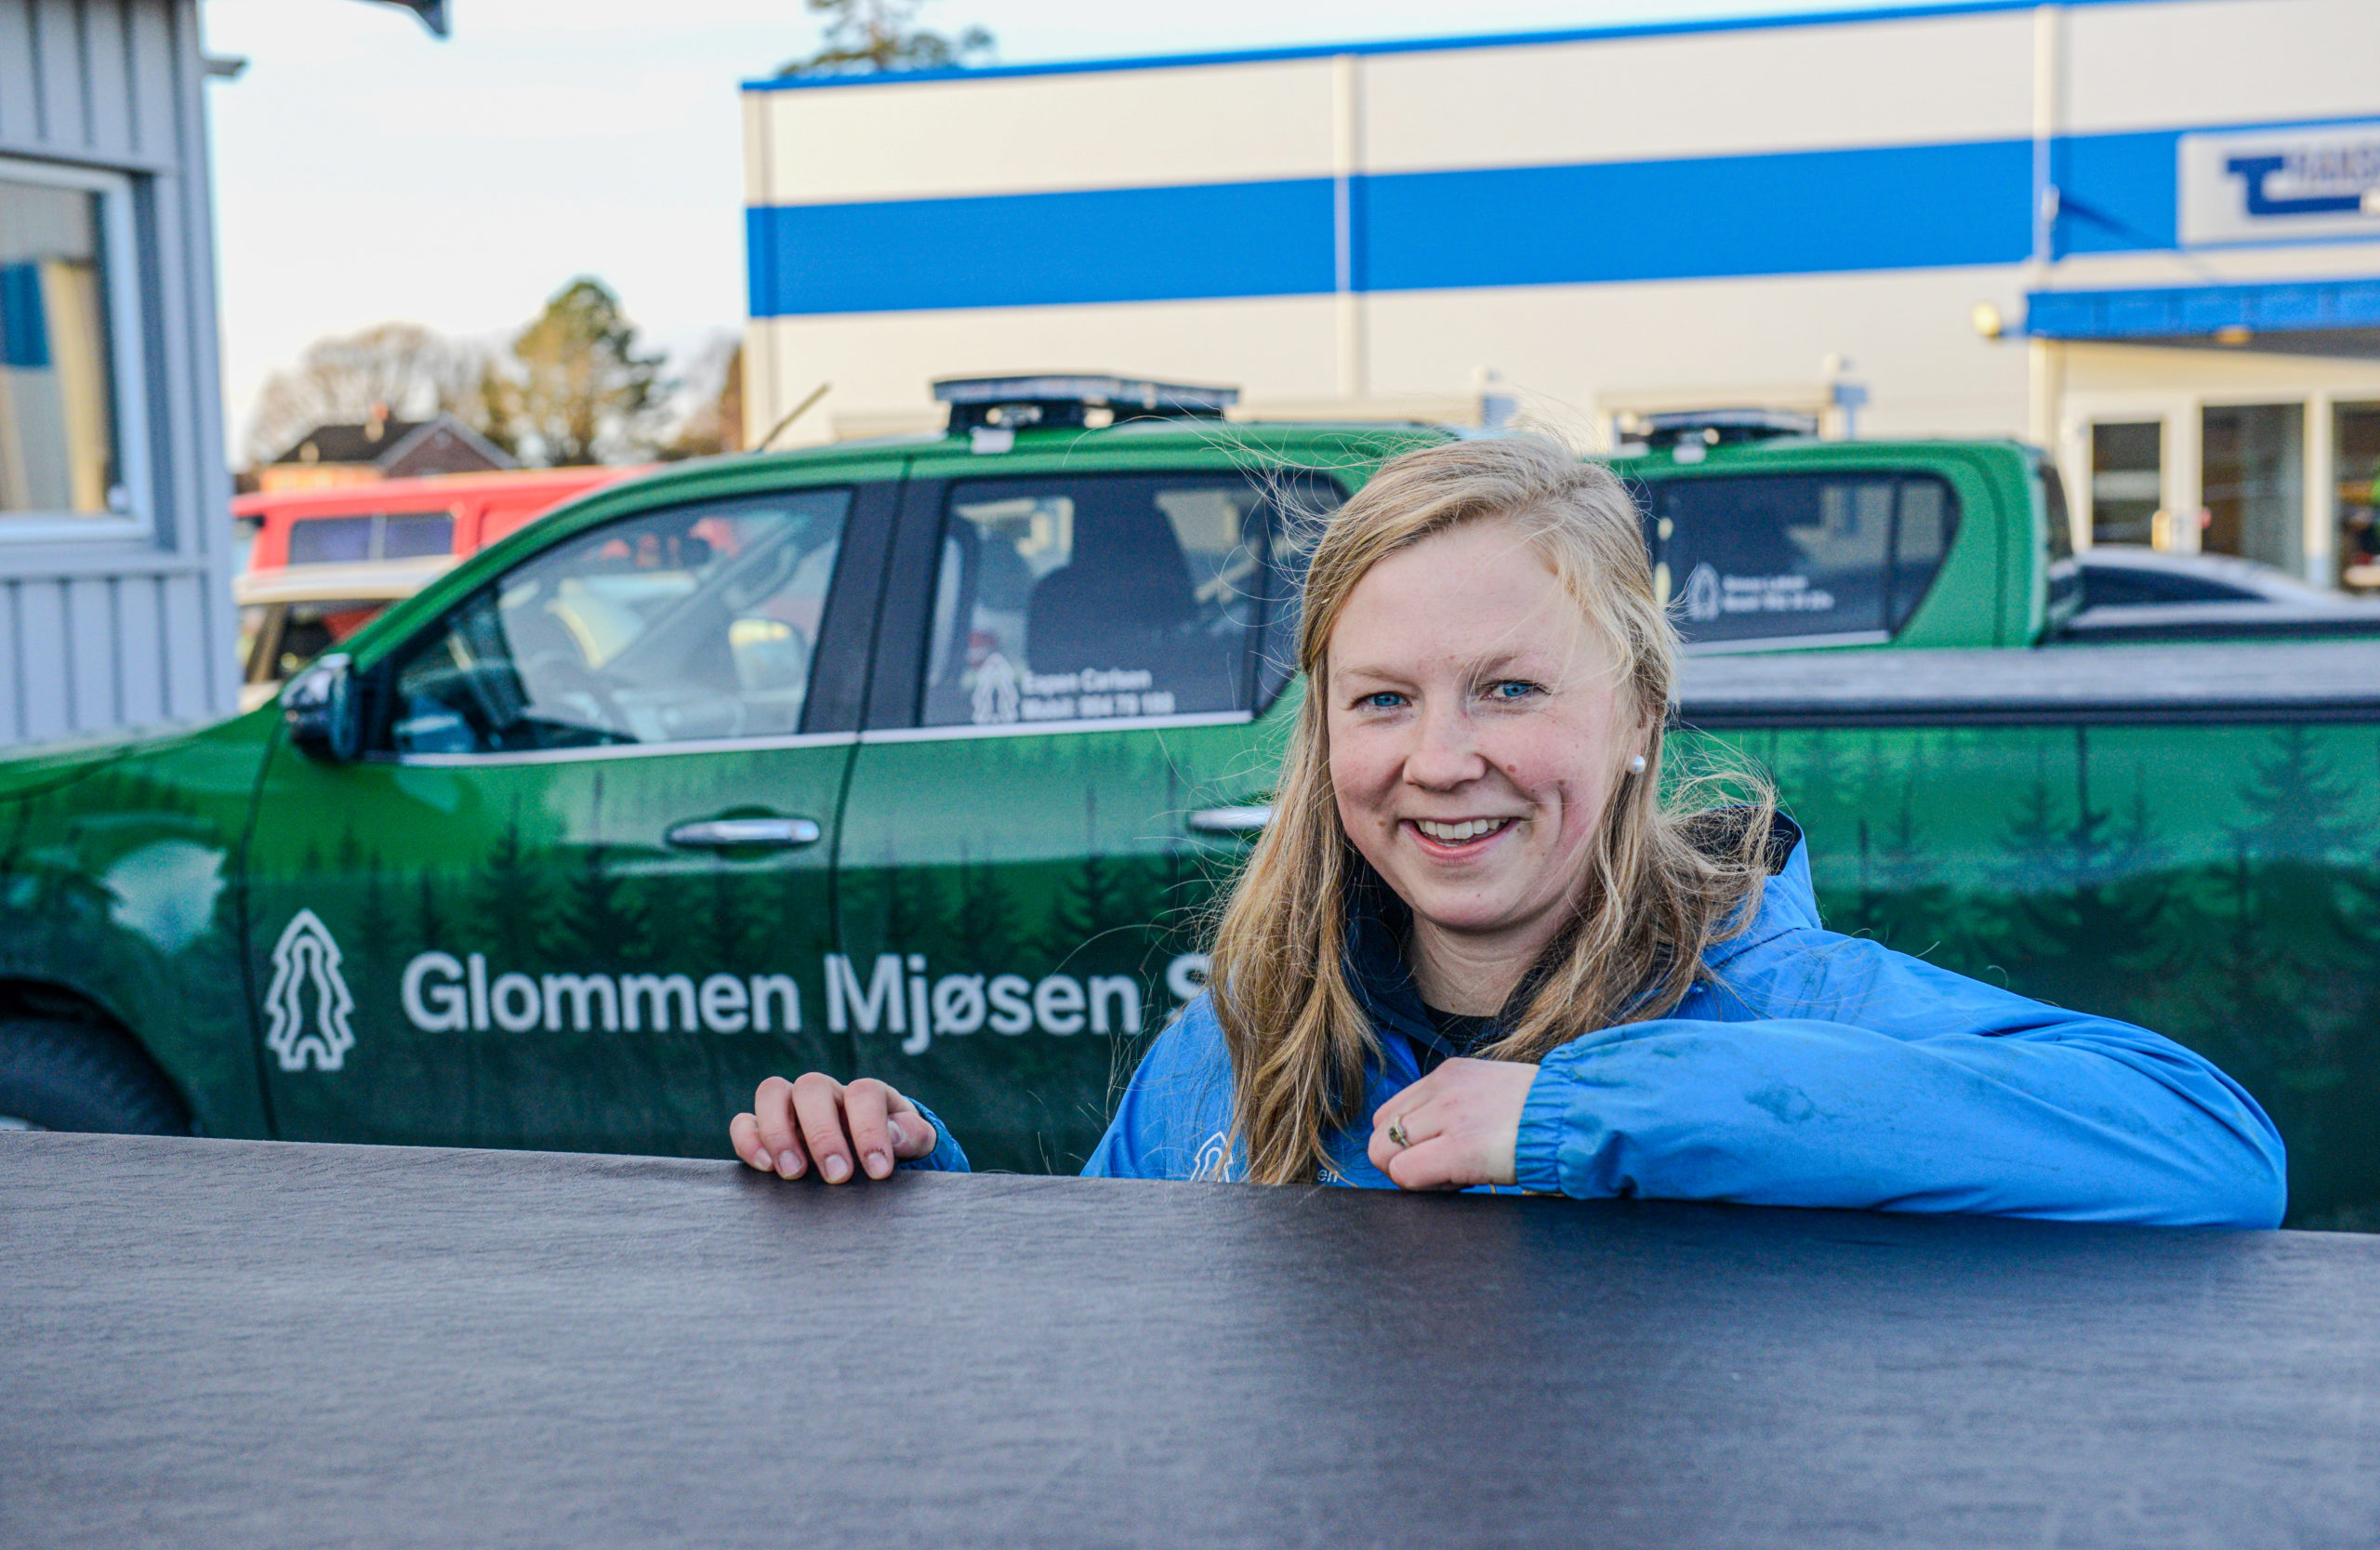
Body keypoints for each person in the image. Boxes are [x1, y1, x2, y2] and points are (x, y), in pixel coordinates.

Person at [730, 434, 2287, 1226]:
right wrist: (923, 1185)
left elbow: (2213, 1151)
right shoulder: (1246, 1036)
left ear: (1640, 729)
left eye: (1513, 686)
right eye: (1384, 698)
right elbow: (1119, 1330)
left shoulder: (1784, 1002)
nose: (1445, 758)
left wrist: (1581, 1112)